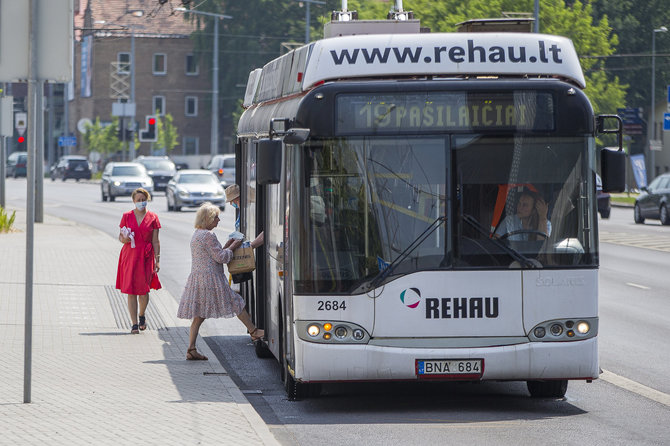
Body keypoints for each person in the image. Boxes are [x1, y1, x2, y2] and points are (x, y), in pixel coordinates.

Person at [177, 202, 264, 360]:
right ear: (207, 219)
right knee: (235, 302)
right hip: (212, 279)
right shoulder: (208, 235)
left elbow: (215, 253)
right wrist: (236, 244)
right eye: (216, 217)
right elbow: (221, 257)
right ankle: (254, 332)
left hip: (199, 278)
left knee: (199, 315)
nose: (219, 220)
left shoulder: (197, 234)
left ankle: (191, 349)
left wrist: (229, 244)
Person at [116, 188, 161, 334]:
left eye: (143, 199)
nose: (141, 202)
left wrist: (157, 260)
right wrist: (124, 239)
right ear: (133, 201)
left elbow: (156, 241)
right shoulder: (127, 216)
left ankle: (142, 314)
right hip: (130, 255)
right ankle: (134, 323)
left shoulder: (153, 217)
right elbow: (120, 236)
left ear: (147, 200)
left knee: (143, 291)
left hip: (146, 257)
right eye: (138, 200)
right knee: (131, 290)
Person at [225, 184, 264, 248]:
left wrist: (250, 246)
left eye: (232, 201)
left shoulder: (253, 209)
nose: (231, 203)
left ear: (238, 198)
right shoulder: (243, 210)